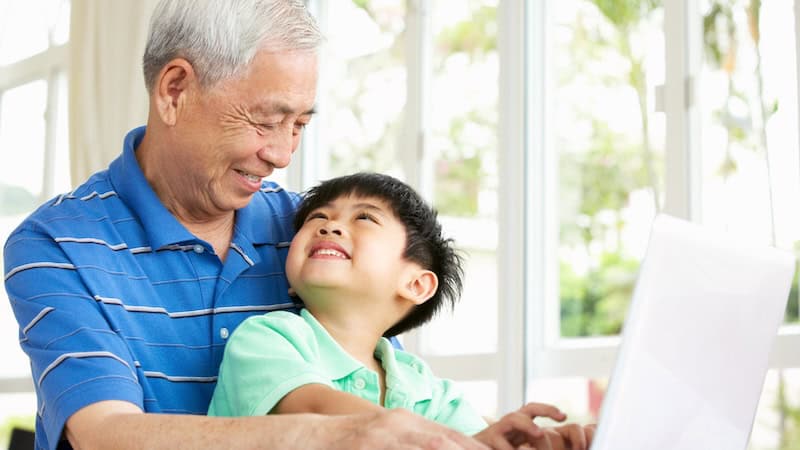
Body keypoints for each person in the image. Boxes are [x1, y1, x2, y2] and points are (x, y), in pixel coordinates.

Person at [2, 0, 589, 449]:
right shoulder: (56, 244)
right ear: (175, 90)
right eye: (265, 121)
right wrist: (333, 434)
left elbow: (383, 394)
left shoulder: (309, 229)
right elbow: (106, 433)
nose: (283, 154)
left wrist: (479, 439)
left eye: (300, 124)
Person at [208, 173, 594, 450]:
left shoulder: (424, 389)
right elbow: (313, 410)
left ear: (416, 285)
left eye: (364, 218)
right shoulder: (267, 339)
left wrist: (539, 442)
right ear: (291, 281)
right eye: (318, 218)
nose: (331, 227)